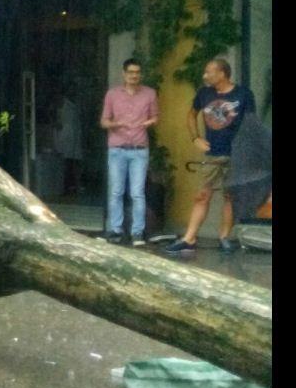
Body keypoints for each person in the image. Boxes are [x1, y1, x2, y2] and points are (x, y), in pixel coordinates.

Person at [165, 58, 256, 253]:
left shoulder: (243, 94)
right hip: (213, 153)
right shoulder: (204, 93)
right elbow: (191, 115)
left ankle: (224, 238)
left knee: (230, 197)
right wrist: (195, 138)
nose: (205, 76)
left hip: (237, 153)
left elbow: (251, 124)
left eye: (209, 72)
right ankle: (189, 238)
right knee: (202, 195)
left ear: (222, 74)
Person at [100, 59, 158, 245]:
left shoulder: (150, 93)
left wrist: (148, 122)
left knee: (137, 193)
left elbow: (155, 116)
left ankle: (137, 233)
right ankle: (116, 230)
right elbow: (104, 121)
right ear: (124, 74)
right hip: (117, 148)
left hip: (139, 149)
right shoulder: (112, 94)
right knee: (116, 191)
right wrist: (117, 124)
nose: (135, 75)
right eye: (131, 72)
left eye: (138, 72)